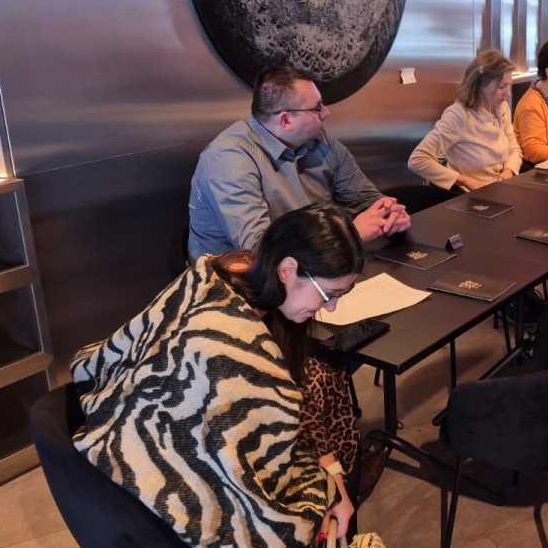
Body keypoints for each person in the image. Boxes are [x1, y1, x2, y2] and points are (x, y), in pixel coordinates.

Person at [71, 206, 380, 547]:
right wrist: (322, 493)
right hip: (151, 479)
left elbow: (285, 410)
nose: (331, 307)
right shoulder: (229, 346)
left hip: (152, 443)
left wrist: (331, 477)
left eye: (340, 295)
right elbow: (234, 481)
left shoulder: (243, 285)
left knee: (325, 383)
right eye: (329, 295)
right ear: (288, 270)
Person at [188, 66, 410, 259]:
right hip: (240, 281)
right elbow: (261, 251)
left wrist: (389, 213)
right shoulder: (228, 158)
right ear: (286, 120)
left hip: (320, 265)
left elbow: (365, 199)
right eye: (317, 108)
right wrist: (350, 236)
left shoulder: (321, 141)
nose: (327, 113)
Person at [408, 50, 523, 190]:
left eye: (509, 85)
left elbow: (514, 149)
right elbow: (417, 159)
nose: (508, 94)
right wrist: (466, 181)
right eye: (501, 87)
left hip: (498, 188)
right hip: (470, 194)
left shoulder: (501, 107)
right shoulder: (458, 115)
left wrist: (508, 171)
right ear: (480, 85)